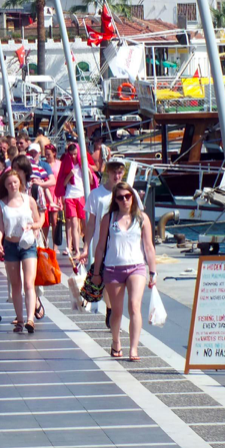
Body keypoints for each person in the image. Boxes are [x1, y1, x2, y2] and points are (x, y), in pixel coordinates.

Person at [93, 182, 158, 361]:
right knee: (117, 310)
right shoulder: (109, 218)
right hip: (113, 268)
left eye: (127, 196)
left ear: (133, 197)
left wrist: (153, 272)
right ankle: (116, 342)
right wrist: (96, 273)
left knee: (134, 307)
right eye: (120, 197)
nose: (124, 200)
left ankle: (134, 348)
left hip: (136, 267)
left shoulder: (142, 218)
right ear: (115, 199)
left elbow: (149, 247)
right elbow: (100, 247)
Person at [0, 166, 44, 334]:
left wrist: (32, 227)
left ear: (20, 183)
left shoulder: (28, 200)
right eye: (9, 183)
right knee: (16, 284)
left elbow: (38, 221)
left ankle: (30, 319)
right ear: (5, 186)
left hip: (28, 244)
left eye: (15, 182)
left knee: (29, 283)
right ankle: (19, 319)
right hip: (10, 245)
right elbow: (0, 227)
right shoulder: (1, 204)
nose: (13, 186)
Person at [79, 160, 130, 328]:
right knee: (108, 281)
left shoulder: (128, 194)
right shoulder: (96, 195)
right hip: (102, 245)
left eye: (120, 172)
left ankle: (113, 309)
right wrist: (86, 247)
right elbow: (91, 223)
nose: (117, 176)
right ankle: (111, 309)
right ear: (108, 172)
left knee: (120, 282)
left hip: (122, 246)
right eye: (114, 172)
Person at [55, 143, 90, 258]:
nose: (73, 157)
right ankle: (76, 250)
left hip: (81, 195)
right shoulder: (67, 163)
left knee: (84, 222)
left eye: (75, 154)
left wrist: (88, 171)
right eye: (71, 155)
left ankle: (85, 247)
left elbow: (90, 180)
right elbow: (63, 182)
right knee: (74, 223)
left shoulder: (82, 163)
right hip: (70, 195)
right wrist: (70, 174)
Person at [43, 144, 62, 248]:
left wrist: (60, 197)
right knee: (45, 222)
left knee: (54, 221)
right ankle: (45, 244)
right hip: (45, 192)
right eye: (45, 154)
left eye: (48, 154)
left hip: (55, 192)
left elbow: (61, 180)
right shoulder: (43, 164)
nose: (46, 156)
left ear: (54, 153)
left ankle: (55, 246)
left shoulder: (59, 164)